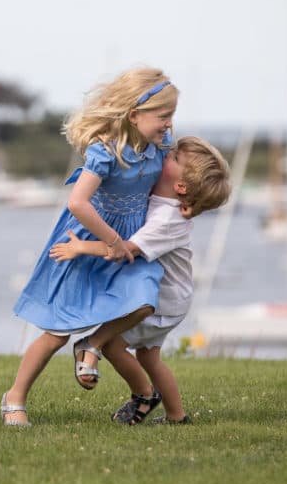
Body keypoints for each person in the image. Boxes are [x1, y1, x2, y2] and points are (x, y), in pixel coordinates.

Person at [0, 67, 178, 427]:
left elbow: (179, 183)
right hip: (85, 240)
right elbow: (78, 203)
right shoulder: (105, 152)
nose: (169, 124)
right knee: (57, 331)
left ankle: (92, 346)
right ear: (134, 115)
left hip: (131, 243)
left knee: (144, 301)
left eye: (171, 116)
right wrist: (110, 242)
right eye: (163, 116)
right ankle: (14, 397)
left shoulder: (161, 149)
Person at [49, 136, 231, 425]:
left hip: (162, 301)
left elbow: (126, 250)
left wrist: (81, 247)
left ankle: (133, 385)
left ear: (181, 186)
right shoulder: (160, 198)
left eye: (173, 158)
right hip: (170, 296)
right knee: (149, 357)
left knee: (112, 346)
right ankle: (176, 416)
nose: (164, 155)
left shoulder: (168, 219)